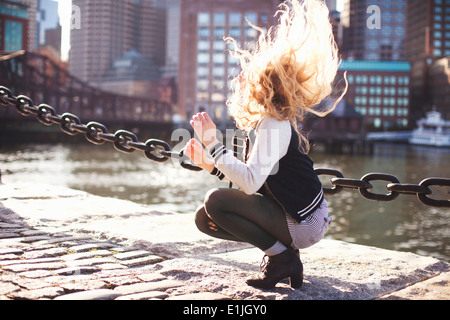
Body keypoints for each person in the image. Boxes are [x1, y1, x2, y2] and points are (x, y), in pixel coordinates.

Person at [184, 0, 347, 289]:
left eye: (247, 75)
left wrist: (211, 142)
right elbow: (258, 181)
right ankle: (284, 256)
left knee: (216, 202)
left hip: (303, 221)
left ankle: (283, 258)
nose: (240, 78)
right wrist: (210, 165)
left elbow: (250, 183)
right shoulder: (268, 122)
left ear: (263, 86)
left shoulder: (274, 123)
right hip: (297, 216)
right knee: (205, 218)